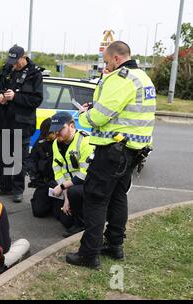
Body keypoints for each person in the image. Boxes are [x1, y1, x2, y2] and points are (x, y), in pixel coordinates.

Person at [66, 41, 157, 269]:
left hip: (112, 152)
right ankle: (114, 245)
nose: (105, 66)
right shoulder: (143, 78)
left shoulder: (121, 79)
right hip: (133, 152)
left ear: (117, 58)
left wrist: (84, 116)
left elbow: (99, 118)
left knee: (95, 200)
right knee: (118, 197)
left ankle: (89, 254)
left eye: (107, 61)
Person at [0, 45, 44, 202]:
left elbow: (36, 100)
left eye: (16, 61)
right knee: (5, 156)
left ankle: (18, 189)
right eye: (11, 60)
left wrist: (15, 97)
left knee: (19, 158)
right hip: (5, 120)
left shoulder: (34, 73)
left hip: (22, 124)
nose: (14, 64)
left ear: (23, 57)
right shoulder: (7, 69)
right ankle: (5, 186)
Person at [49, 112, 95, 237]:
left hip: (89, 184)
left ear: (72, 126)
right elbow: (58, 171)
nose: (57, 133)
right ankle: (77, 215)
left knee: (74, 192)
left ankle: (82, 225)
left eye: (60, 129)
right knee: (64, 220)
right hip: (71, 187)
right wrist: (66, 198)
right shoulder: (56, 143)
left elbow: (84, 175)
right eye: (54, 130)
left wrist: (64, 187)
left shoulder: (85, 141)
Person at [27, 118, 57, 218]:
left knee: (59, 215)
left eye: (49, 135)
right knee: (38, 211)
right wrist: (33, 174)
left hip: (61, 183)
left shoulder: (62, 142)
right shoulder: (42, 141)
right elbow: (32, 159)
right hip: (46, 182)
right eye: (45, 135)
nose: (46, 137)